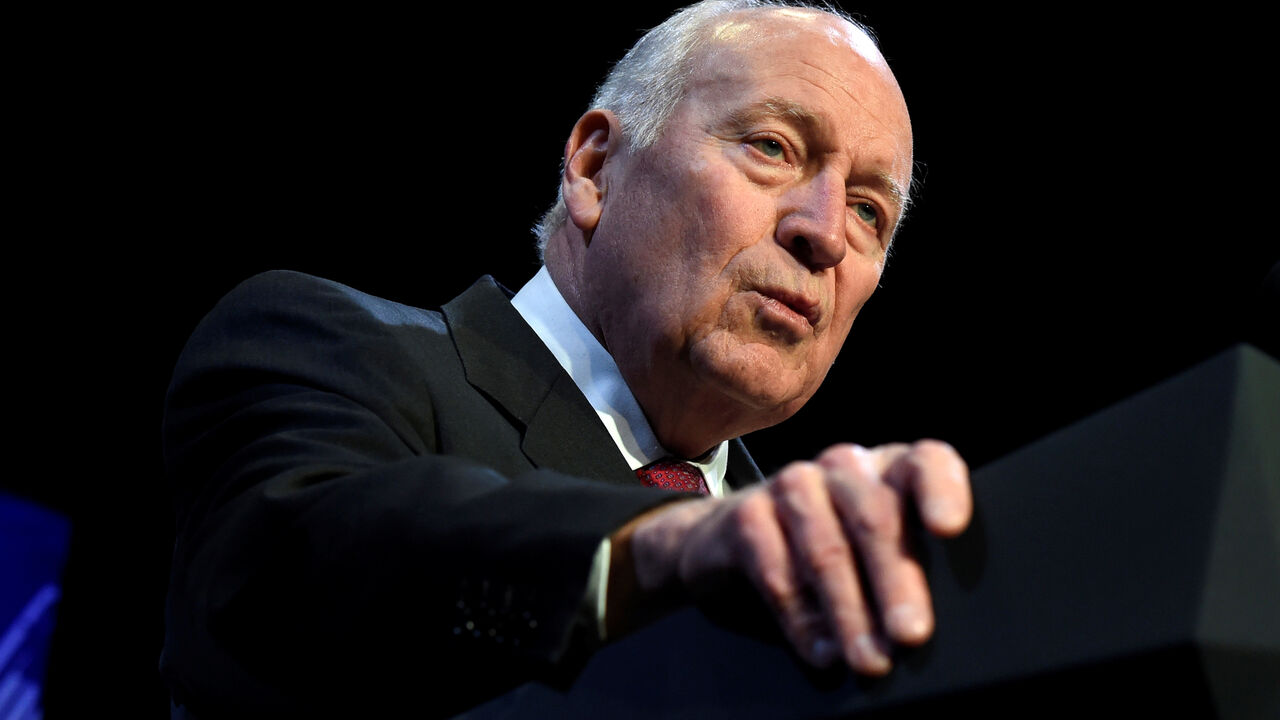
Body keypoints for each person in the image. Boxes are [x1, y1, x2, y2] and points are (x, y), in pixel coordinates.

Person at [160, 0, 972, 716]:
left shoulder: (826, 576)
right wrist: (662, 550)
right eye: (772, 146)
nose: (825, 233)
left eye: (869, 211)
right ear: (592, 169)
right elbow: (286, 575)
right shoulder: (326, 345)